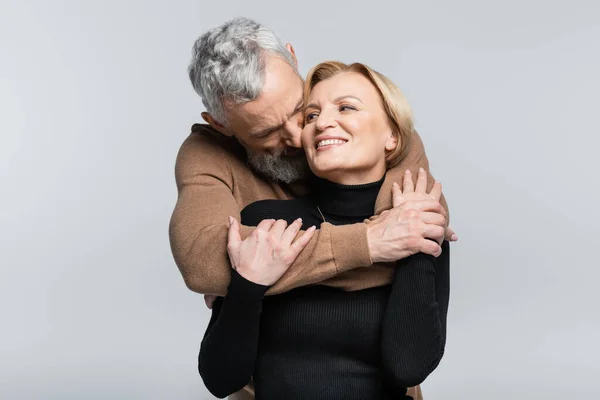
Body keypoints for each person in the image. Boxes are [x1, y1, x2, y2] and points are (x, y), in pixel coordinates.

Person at [169, 17, 456, 400]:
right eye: (264, 133)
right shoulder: (208, 156)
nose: (295, 135)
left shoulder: (371, 130)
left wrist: (256, 275)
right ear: (221, 127)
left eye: (300, 110)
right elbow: (202, 261)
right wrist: (369, 243)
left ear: (292, 58)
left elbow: (418, 227)